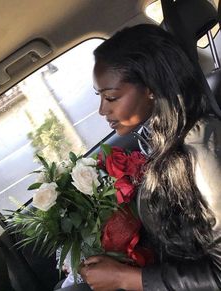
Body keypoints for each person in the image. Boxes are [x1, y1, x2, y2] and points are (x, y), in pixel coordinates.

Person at [60, 24, 221, 291]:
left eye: (111, 97)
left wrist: (124, 278)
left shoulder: (202, 153)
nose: (102, 110)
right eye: (99, 96)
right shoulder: (160, 139)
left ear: (151, 88)